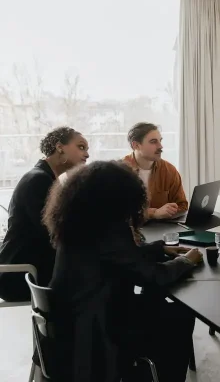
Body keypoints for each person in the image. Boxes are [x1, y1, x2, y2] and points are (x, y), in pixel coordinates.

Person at [45, 161, 203, 382]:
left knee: (164, 311)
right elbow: (154, 276)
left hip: (70, 316)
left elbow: (120, 259)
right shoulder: (110, 229)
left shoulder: (78, 222)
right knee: (178, 317)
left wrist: (159, 248)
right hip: (99, 323)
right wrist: (187, 261)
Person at [0, 127, 89, 301]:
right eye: (81, 147)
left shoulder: (46, 178)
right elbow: (53, 232)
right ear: (60, 147)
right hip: (20, 274)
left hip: (33, 267)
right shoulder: (38, 180)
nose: (86, 155)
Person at [123, 122, 188, 220]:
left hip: (162, 229)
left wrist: (170, 210)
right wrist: (153, 213)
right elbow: (113, 212)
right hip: (129, 231)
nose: (160, 146)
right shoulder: (118, 172)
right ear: (136, 145)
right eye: (153, 142)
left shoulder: (169, 170)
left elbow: (182, 206)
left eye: (160, 141)